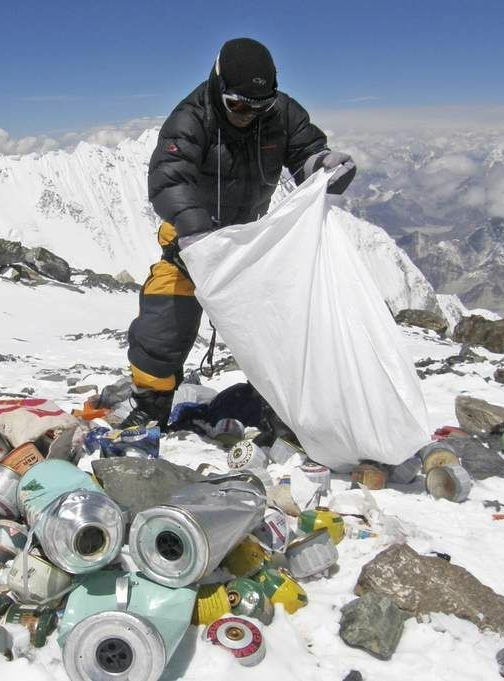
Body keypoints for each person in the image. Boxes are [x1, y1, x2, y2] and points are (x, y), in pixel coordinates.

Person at [121, 37, 356, 428]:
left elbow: (305, 152)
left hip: (250, 246)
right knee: (163, 325)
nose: (248, 114)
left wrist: (323, 165)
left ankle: (285, 409)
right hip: (190, 246)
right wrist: (195, 232)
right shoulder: (191, 119)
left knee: (283, 327)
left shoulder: (282, 114)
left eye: (259, 105)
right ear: (218, 86)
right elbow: (168, 180)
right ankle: (150, 406)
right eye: (238, 105)